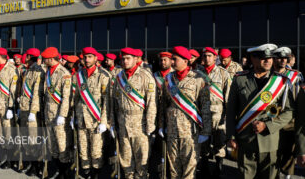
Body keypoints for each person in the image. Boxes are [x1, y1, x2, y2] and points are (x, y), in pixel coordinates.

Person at [226, 44, 294, 179]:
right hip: (245, 140)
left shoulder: (280, 81)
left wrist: (268, 126)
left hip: (270, 141)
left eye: (270, 58)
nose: (268, 61)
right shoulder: (240, 79)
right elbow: (231, 110)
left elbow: (289, 111)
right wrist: (231, 136)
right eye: (263, 58)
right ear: (253, 58)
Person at [158, 46, 211, 179]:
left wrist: (205, 132)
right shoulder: (169, 78)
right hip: (171, 131)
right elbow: (163, 104)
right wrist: (161, 125)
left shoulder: (199, 79)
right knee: (174, 169)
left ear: (186, 61)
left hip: (190, 133)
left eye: (175, 59)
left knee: (189, 170)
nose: (172, 62)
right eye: (172, 59)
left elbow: (205, 106)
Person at [111, 47, 156, 178]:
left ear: (136, 59)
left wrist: (150, 126)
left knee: (141, 162)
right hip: (123, 125)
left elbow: (151, 103)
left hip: (140, 126)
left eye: (128, 58)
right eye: (123, 59)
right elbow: (114, 102)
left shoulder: (146, 76)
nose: (125, 61)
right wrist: (113, 124)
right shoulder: (119, 77)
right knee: (126, 162)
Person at [71, 47, 110, 179]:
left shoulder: (103, 75)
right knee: (83, 150)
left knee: (96, 151)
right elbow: (75, 98)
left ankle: (96, 174)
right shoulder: (78, 75)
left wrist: (104, 122)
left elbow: (107, 102)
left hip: (96, 120)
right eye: (85, 57)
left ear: (96, 58)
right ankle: (86, 172)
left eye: (89, 57)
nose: (86, 60)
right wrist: (73, 117)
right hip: (81, 119)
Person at [199, 47, 231, 177]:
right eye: (205, 56)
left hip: (219, 114)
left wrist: (228, 116)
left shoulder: (223, 73)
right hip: (202, 114)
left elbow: (228, 95)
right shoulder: (197, 73)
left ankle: (218, 168)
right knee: (203, 144)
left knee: (220, 143)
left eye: (210, 56)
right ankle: (205, 168)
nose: (207, 58)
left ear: (215, 57)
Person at [42, 47, 73, 178]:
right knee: (52, 145)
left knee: (62, 146)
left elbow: (66, 97)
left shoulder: (63, 73)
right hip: (49, 114)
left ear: (50, 59)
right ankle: (58, 170)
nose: (44, 60)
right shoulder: (48, 72)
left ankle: (64, 173)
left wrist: (62, 115)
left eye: (45, 58)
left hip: (59, 115)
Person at [272, 47, 303, 178]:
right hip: (272, 118)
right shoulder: (268, 75)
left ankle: (287, 176)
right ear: (274, 59)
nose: (283, 60)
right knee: (273, 153)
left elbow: (300, 98)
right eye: (280, 57)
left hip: (290, 121)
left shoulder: (296, 75)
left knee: (288, 154)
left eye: (286, 58)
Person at [0, 47, 19, 169]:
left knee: (8, 134)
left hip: (6, 105)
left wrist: (10, 107)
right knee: (0, 133)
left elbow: (13, 90)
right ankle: (3, 156)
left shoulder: (11, 70)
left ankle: (11, 159)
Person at [18, 48, 44, 175]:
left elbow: (36, 94)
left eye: (26, 56)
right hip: (24, 108)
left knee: (33, 139)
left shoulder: (37, 71)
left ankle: (37, 166)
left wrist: (33, 112)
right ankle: (31, 163)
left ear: (29, 57)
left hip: (32, 111)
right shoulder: (29, 70)